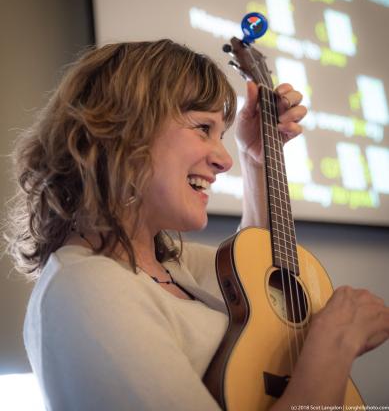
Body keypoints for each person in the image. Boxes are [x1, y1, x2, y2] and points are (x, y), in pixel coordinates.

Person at [5, 39, 389, 410]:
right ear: (124, 127)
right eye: (203, 128)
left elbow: (261, 277)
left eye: (221, 135)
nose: (224, 160)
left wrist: (256, 159)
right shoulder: (86, 286)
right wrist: (336, 343)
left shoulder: (171, 265)